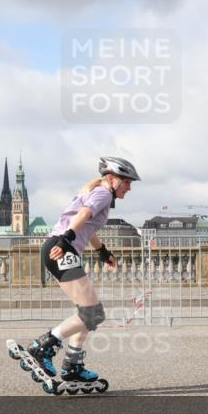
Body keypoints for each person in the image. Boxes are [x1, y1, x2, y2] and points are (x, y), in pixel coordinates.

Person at [26, 156, 141, 385]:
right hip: (61, 249)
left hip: (61, 248)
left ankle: (73, 365)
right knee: (93, 313)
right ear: (112, 178)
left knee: (88, 314)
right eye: (127, 181)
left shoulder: (97, 193)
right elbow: (83, 216)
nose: (129, 187)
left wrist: (102, 251)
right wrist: (65, 240)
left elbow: (88, 228)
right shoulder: (103, 193)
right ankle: (43, 346)